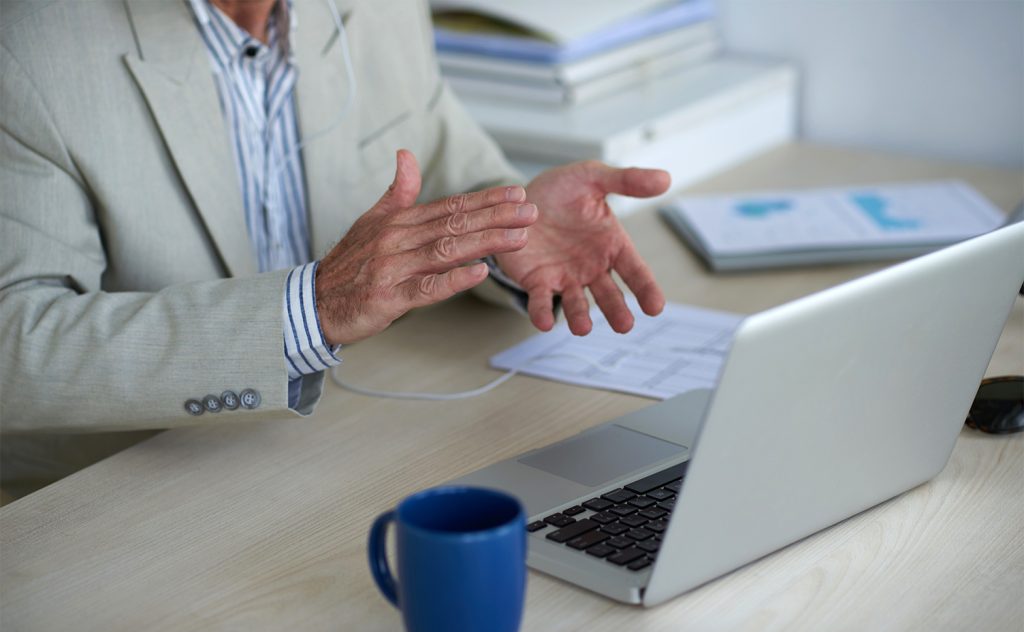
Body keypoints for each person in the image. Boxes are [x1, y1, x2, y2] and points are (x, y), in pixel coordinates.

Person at [0, 0, 670, 500]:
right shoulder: (27, 48)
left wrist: (511, 226)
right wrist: (309, 312)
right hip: (122, 496)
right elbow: (13, 345)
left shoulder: (379, 10)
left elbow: (449, 168)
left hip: (351, 450)